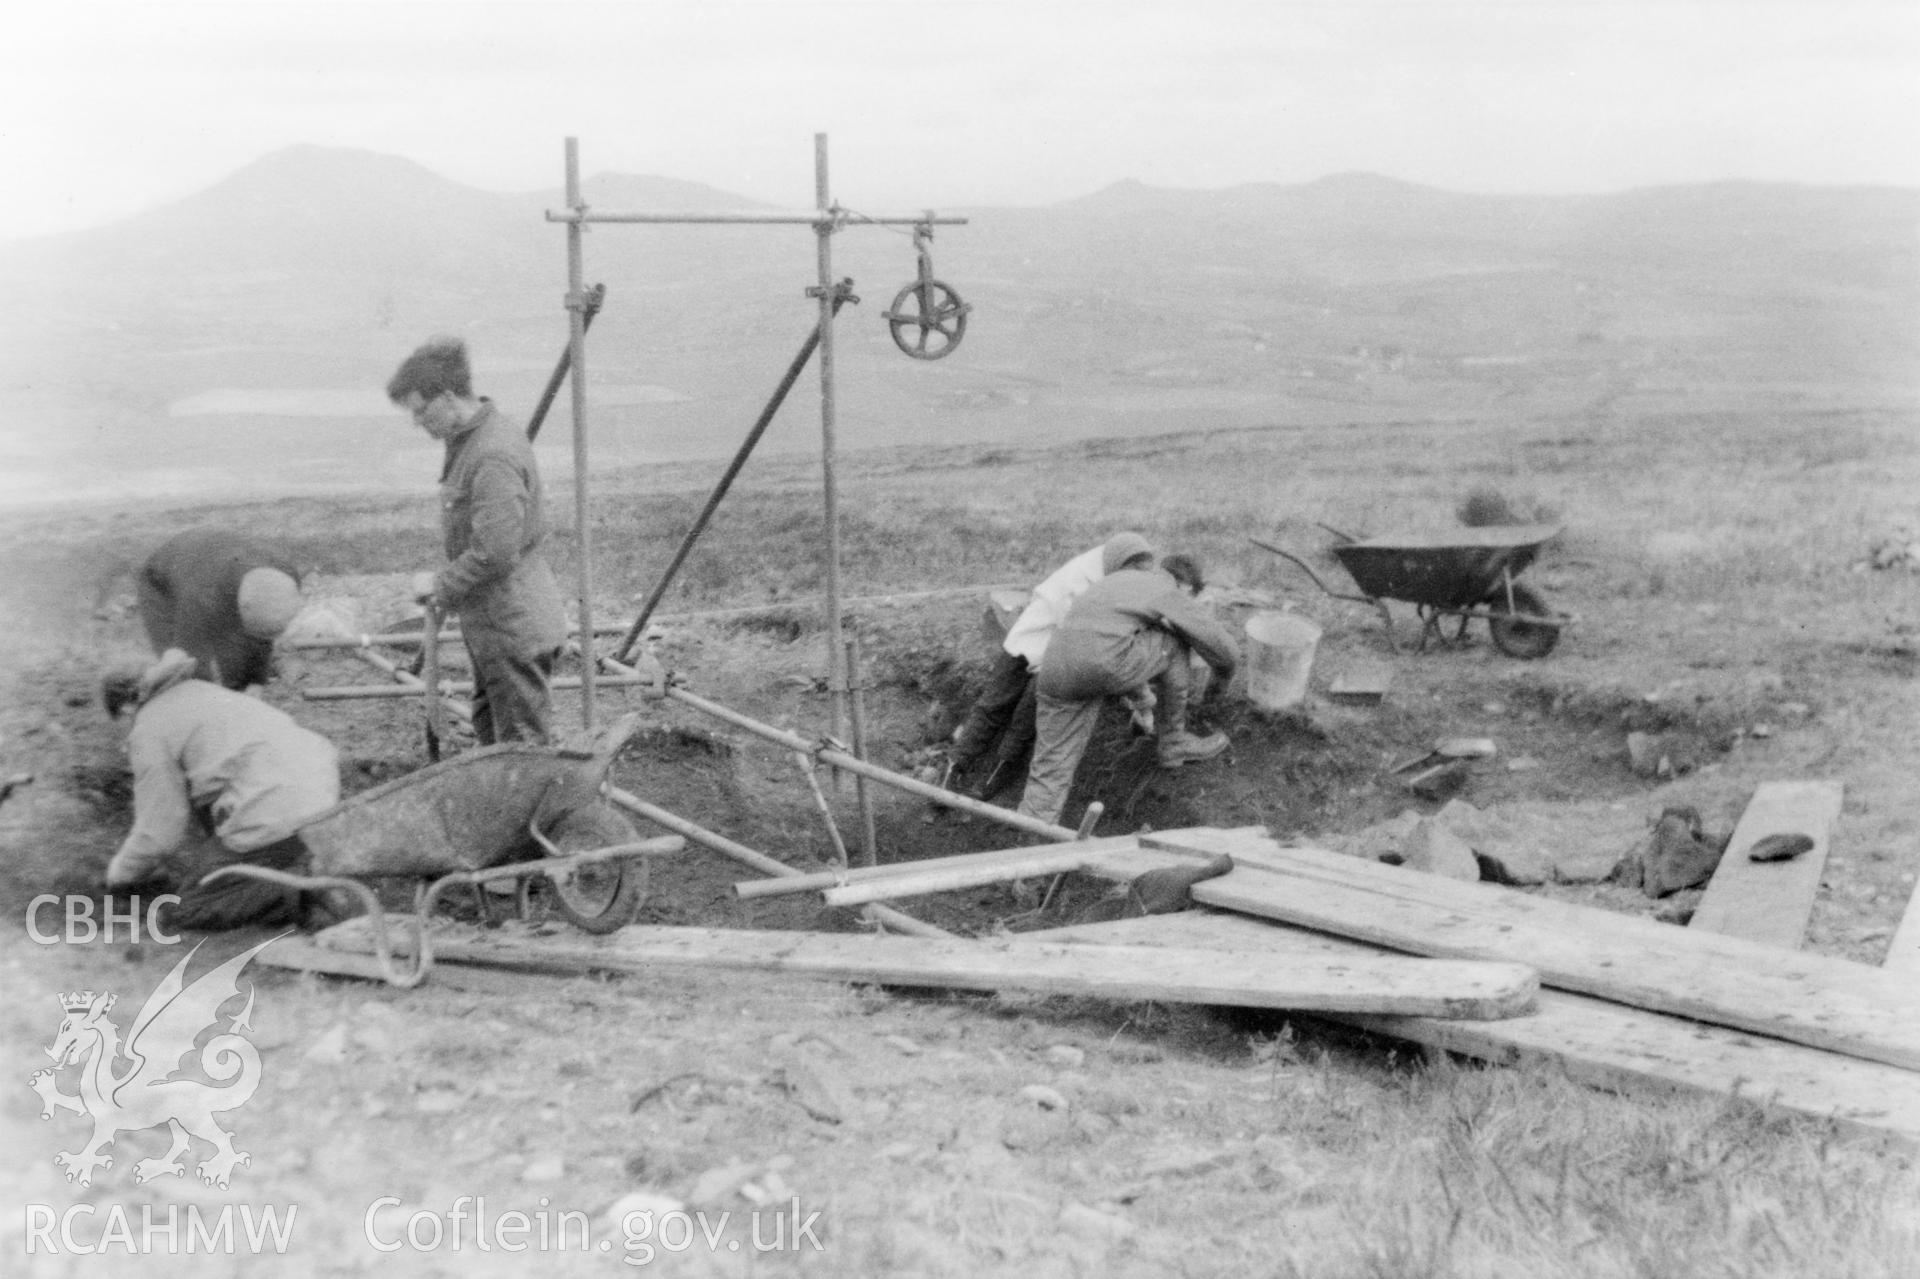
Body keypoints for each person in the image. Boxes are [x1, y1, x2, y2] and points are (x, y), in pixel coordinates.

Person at [386, 336, 568, 745]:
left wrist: (439, 585)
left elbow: (495, 552)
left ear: (448, 397)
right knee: (494, 739)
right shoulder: (475, 438)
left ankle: (531, 811)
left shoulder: (490, 455)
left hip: (512, 626)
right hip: (495, 624)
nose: (417, 422)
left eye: (420, 410)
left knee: (521, 754)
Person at [102, 650, 342, 931]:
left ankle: (299, 892)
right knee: (222, 852)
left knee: (186, 910)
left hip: (274, 805)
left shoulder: (149, 728)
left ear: (127, 709)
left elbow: (158, 833)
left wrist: (120, 874)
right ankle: (296, 867)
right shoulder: (201, 692)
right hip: (318, 792)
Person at [1015, 554, 1238, 827]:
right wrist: (1220, 685)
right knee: (1174, 642)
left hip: (1054, 669)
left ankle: (1029, 837)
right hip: (1100, 664)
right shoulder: (1166, 589)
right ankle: (1174, 742)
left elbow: (1106, 641)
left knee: (1050, 771)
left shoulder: (1116, 582)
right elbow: (1225, 651)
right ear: (1187, 587)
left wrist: (1144, 701)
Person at [945, 532, 1157, 802]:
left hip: (1055, 656)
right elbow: (1099, 643)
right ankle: (953, 771)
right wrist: (1143, 702)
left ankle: (994, 777)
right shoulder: (1083, 580)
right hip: (1036, 643)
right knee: (993, 706)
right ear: (1119, 565)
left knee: (1025, 720)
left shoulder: (1111, 570)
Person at [137, 528, 303, 691]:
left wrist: (255, 684)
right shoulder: (201, 596)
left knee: (238, 651)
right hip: (160, 583)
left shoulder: (285, 574)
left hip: (215, 565)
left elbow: (261, 636)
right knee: (183, 674)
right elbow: (188, 656)